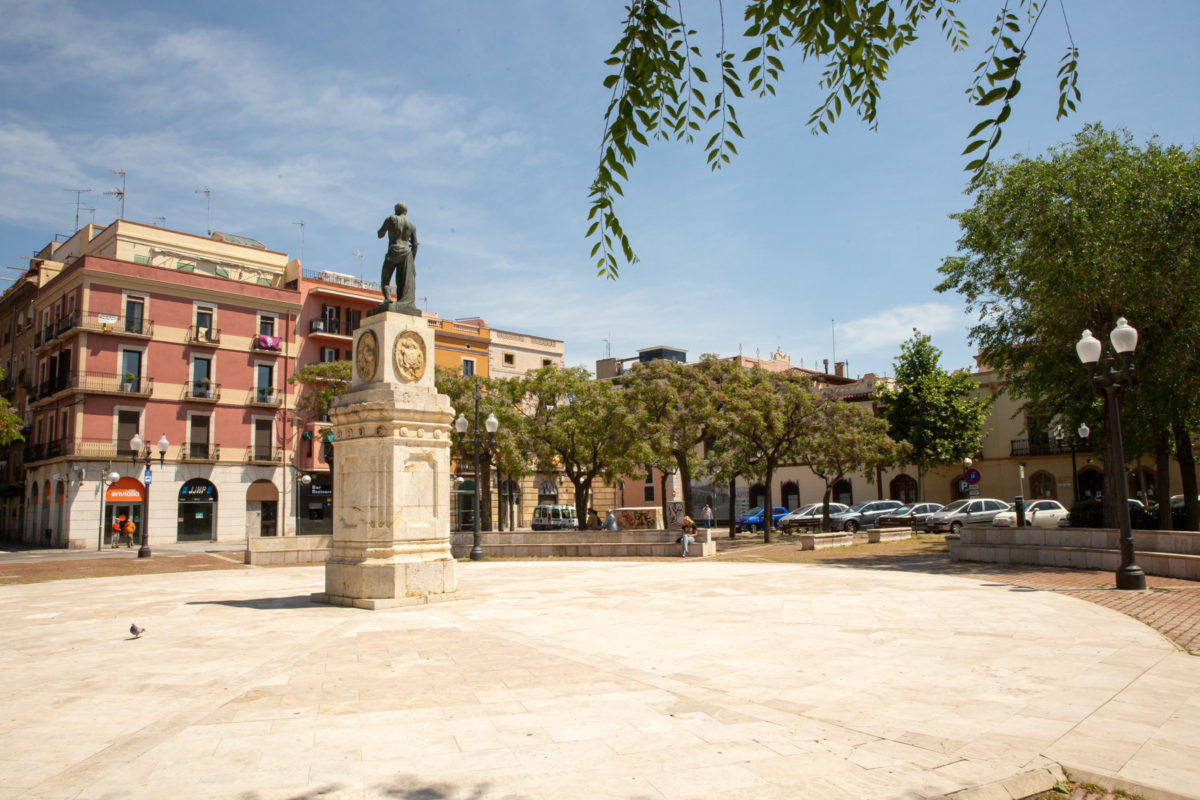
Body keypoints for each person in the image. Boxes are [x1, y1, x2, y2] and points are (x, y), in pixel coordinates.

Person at [377, 202, 419, 310]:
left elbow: (380, 234)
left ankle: (388, 299)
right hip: (406, 253)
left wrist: (385, 226)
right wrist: (411, 260)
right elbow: (415, 244)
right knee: (402, 280)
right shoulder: (411, 226)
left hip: (394, 250)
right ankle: (401, 302)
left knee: (385, 279)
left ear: (397, 210)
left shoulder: (392, 219)